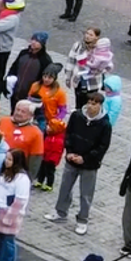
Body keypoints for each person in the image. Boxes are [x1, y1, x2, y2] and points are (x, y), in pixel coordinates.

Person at [47, 92, 114, 236]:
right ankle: (60, 212)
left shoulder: (105, 124)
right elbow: (69, 134)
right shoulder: (77, 116)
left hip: (89, 165)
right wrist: (69, 151)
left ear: (100, 106)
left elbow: (102, 146)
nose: (90, 106)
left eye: (94, 104)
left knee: (86, 193)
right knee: (65, 187)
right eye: (89, 102)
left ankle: (82, 220)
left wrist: (85, 158)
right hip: (72, 159)